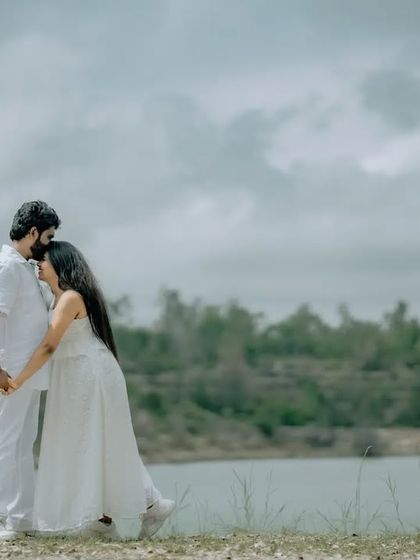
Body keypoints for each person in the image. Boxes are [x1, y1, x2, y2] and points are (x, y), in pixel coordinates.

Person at [4, 240, 174, 539]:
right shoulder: (55, 297)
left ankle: (150, 503)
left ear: (59, 264)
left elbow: (48, 345)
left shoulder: (70, 298)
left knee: (102, 441)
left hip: (89, 374)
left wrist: (18, 380)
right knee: (89, 442)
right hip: (76, 375)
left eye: (44, 260)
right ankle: (102, 519)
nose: (38, 264)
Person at [0, 201, 60, 541]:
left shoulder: (25, 268)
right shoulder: (7, 267)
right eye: (47, 236)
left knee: (23, 443)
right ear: (32, 232)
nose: (49, 244)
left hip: (30, 373)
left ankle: (22, 518)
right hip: (11, 373)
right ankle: (8, 516)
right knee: (5, 443)